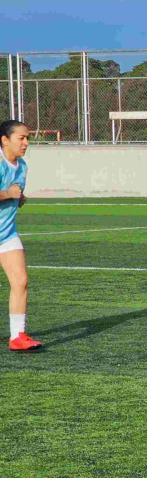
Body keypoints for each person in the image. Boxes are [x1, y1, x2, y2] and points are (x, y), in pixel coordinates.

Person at [0, 120, 41, 351]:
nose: (26, 143)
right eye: (21, 138)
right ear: (5, 140)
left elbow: (15, 192)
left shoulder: (22, 166)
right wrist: (8, 194)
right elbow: (8, 192)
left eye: (28, 138)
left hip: (6, 234)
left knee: (20, 281)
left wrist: (18, 198)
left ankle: (17, 336)